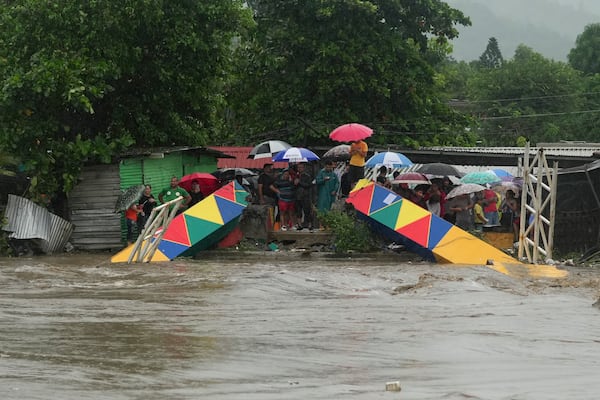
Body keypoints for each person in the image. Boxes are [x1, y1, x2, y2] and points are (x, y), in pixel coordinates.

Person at [293, 162, 314, 230]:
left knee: (307, 211)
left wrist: (300, 182)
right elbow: (293, 186)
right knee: (298, 211)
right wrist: (294, 183)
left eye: (301, 167)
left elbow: (308, 185)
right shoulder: (296, 176)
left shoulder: (307, 176)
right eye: (298, 167)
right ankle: (299, 224)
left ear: (304, 168)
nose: (300, 169)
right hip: (297, 196)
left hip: (305, 196)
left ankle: (310, 224)